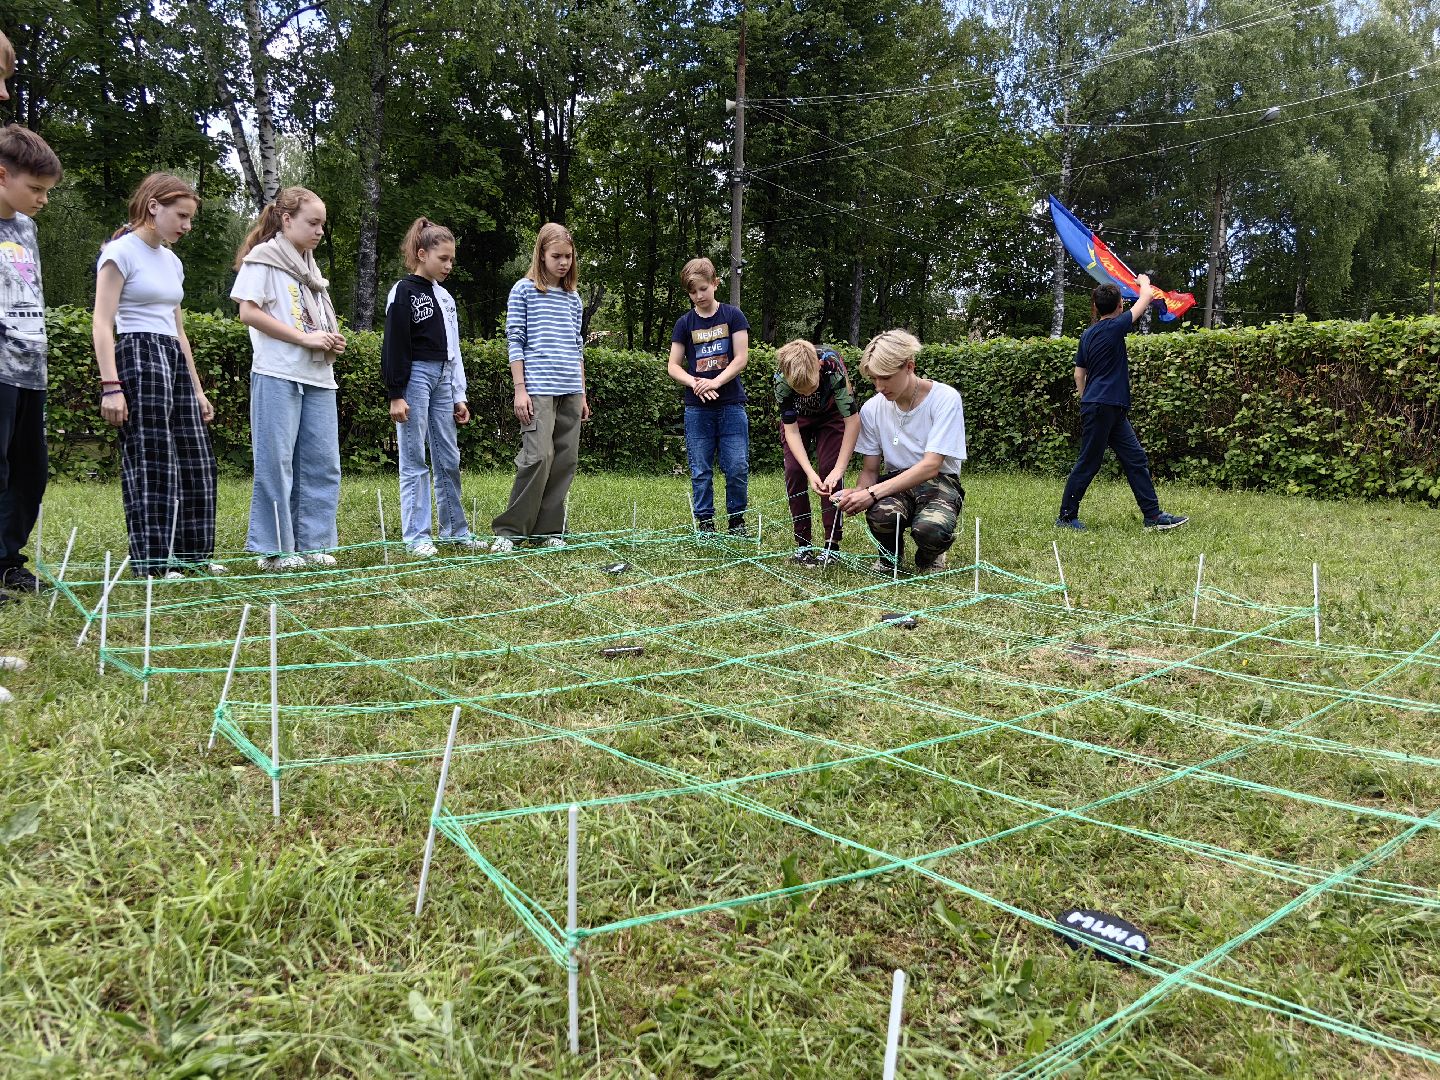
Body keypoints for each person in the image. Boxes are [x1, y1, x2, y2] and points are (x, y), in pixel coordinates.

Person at [93, 173, 223, 578]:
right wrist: (111, 387)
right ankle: (152, 562)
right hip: (137, 352)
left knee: (195, 458)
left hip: (171, 356)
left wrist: (197, 389)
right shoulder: (120, 252)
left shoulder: (172, 260)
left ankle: (193, 557)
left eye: (190, 219)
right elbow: (102, 322)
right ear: (154, 206)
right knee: (152, 459)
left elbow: (178, 330)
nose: (186, 226)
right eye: (181, 215)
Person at [231, 186, 346, 571]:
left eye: (322, 225)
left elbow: (311, 319)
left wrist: (327, 338)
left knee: (322, 463)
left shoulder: (310, 268)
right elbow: (248, 312)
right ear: (286, 218)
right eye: (312, 222)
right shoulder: (262, 259)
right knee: (276, 462)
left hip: (317, 375)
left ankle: (312, 543)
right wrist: (303, 337)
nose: (318, 231)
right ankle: (275, 550)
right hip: (277, 372)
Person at [383, 217, 482, 556]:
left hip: (443, 378)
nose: (449, 265)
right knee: (414, 458)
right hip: (415, 377)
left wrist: (459, 394)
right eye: (443, 259)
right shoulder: (404, 291)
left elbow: (453, 349)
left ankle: (455, 530)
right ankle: (417, 536)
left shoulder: (445, 298)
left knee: (448, 457)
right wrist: (396, 393)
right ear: (422, 254)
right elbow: (394, 345)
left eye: (452, 259)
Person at [1056, 276, 1188, 531]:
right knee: (1089, 462)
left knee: (1135, 458)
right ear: (1119, 307)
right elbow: (1146, 296)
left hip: (1108, 407)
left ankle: (1153, 517)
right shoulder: (1115, 326)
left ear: (1095, 305)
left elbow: (1078, 374)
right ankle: (1065, 517)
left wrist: (1087, 399)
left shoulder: (1087, 335)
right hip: (1103, 405)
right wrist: (1143, 280)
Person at [832, 329, 966, 575]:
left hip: (939, 481)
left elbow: (931, 466)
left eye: (886, 377)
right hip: (894, 482)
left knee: (931, 529)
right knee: (881, 515)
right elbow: (870, 470)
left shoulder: (945, 399)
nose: (879, 386)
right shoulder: (872, 409)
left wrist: (871, 493)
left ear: (909, 367)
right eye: (873, 379)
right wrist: (858, 494)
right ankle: (888, 557)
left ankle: (930, 555)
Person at [491, 222, 588, 552]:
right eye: (556, 256)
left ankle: (549, 531)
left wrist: (583, 392)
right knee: (538, 457)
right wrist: (520, 389)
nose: (563, 263)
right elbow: (515, 340)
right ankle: (509, 531)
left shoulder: (574, 298)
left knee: (565, 460)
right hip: (537, 388)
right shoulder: (523, 290)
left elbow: (577, 346)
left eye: (568, 257)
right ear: (541, 255)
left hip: (570, 389)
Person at [0, 120, 59, 599]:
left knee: (28, 470)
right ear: (2, 176)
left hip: (29, 367)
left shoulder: (27, 228)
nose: (42, 198)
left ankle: (7, 563)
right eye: (35, 188)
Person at [668, 257, 751, 535]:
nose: (698, 296)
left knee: (737, 466)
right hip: (697, 408)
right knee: (700, 469)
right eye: (692, 292)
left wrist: (714, 382)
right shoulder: (684, 323)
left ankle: (737, 522)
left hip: (731, 405)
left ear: (715, 283)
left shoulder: (733, 316)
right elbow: (673, 366)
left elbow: (741, 359)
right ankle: (705, 524)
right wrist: (696, 383)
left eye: (703, 289)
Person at [773, 339, 859, 565]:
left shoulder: (833, 367)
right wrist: (810, 473)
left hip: (832, 415)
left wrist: (838, 470)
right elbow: (791, 432)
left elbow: (852, 421)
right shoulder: (781, 380)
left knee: (829, 471)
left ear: (818, 368)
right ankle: (803, 545)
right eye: (800, 390)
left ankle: (832, 546)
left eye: (811, 387)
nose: (807, 392)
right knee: (794, 471)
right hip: (798, 420)